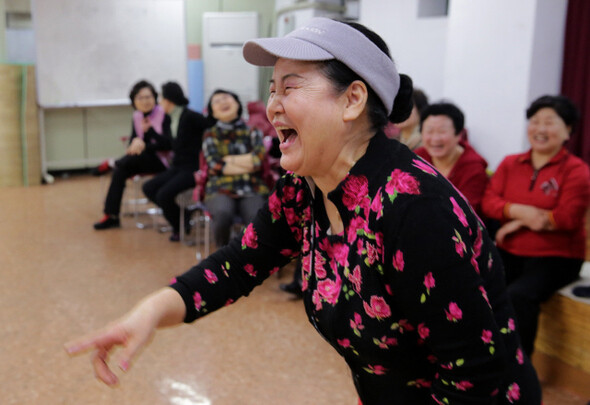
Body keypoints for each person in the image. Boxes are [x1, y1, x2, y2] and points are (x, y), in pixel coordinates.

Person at [66, 18, 541, 404]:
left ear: (353, 100)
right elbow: (238, 264)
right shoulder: (305, 187)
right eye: (272, 89)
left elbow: (475, 379)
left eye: (290, 87)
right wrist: (150, 311)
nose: (273, 106)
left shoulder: (413, 209)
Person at [482, 95, 590, 357]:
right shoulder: (510, 163)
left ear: (568, 131)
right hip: (512, 251)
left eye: (550, 123)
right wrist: (519, 211)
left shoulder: (576, 170)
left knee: (519, 296)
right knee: (478, 284)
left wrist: (515, 222)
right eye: (535, 121)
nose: (540, 129)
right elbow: (489, 202)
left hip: (557, 256)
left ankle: (520, 369)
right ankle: (484, 358)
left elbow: (566, 218)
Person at [93, 80, 172, 230]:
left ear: (155, 98)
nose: (145, 101)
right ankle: (112, 216)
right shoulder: (136, 116)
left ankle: (112, 163)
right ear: (134, 101)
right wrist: (137, 145)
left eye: (148, 97)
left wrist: (149, 136)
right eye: (140, 98)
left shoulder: (164, 115)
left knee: (129, 161)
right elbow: (135, 140)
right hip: (141, 159)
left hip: (161, 160)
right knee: (120, 172)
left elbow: (168, 144)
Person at [141, 82, 211, 242]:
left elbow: (210, 125)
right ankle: (184, 215)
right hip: (178, 166)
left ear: (169, 100)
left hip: (192, 168)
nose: (159, 103)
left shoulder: (190, 116)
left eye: (161, 99)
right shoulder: (172, 118)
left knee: (163, 195)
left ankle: (179, 225)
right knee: (148, 187)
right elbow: (169, 143)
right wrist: (150, 131)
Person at [202, 89, 269, 248]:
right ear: (213, 112)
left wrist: (228, 160)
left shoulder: (253, 131)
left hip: (251, 186)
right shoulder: (210, 134)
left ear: (237, 104)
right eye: (216, 101)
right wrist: (246, 163)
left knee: (257, 217)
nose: (222, 102)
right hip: (220, 188)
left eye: (226, 98)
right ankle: (224, 257)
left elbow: (258, 161)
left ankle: (252, 260)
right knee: (223, 214)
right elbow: (215, 165)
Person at [414, 102, 489, 215]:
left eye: (442, 131)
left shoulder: (473, 168)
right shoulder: (417, 158)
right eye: (429, 131)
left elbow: (466, 212)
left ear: (459, 134)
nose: (435, 138)